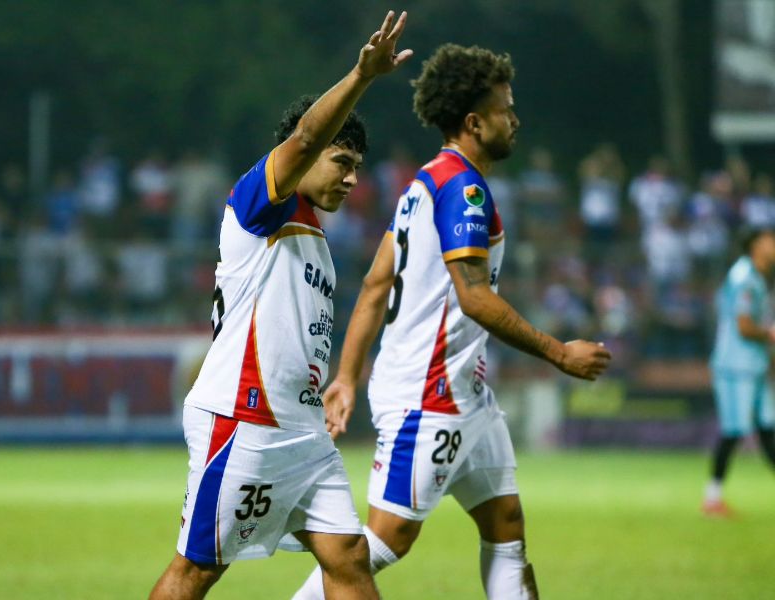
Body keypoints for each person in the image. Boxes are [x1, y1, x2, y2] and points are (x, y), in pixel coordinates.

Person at [293, 43, 611, 600]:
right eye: (505, 108)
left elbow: (374, 284)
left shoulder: (424, 184)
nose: (515, 119)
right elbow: (474, 297)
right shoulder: (463, 190)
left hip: (464, 393)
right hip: (429, 393)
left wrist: (346, 376)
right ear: (473, 121)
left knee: (505, 526)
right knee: (382, 544)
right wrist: (559, 353)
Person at [149, 11, 412, 600]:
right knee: (197, 570)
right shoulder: (259, 206)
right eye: (341, 163)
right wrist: (362, 77)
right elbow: (303, 140)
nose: (351, 179)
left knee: (348, 559)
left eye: (358, 170)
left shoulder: (314, 235)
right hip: (243, 421)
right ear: (307, 157)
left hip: (301, 430)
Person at [703, 228, 775, 517]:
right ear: (756, 246)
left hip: (752, 366)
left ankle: (713, 498)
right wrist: (770, 334)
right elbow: (743, 326)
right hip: (735, 367)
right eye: (770, 240)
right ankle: (712, 499)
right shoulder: (744, 277)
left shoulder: (754, 277)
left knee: (769, 429)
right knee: (733, 431)